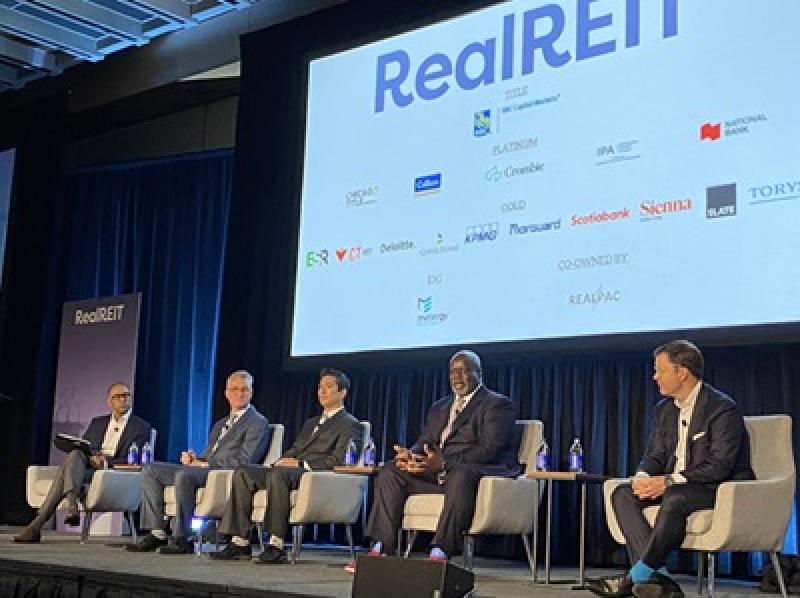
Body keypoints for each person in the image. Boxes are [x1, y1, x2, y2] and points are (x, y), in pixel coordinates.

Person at [587, 340, 754, 598]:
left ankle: (636, 576)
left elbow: (720, 466)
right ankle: (661, 580)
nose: (654, 377)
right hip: (678, 484)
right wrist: (642, 477)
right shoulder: (664, 410)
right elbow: (654, 455)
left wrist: (667, 481)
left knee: (675, 497)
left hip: (717, 487)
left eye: (660, 370)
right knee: (622, 494)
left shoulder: (721, 408)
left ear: (682, 372)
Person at [358, 349, 518, 570]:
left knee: (460, 474)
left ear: (478, 373)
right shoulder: (440, 406)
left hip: (472, 473)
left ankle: (441, 550)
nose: (457, 377)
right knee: (390, 470)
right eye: (453, 371)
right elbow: (424, 441)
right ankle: (382, 548)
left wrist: (444, 463)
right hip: (437, 474)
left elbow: (490, 450)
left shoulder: (496, 404)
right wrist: (411, 455)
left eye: (463, 371)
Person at [208, 367, 362, 564]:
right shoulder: (310, 423)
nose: (322, 392)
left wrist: (300, 463)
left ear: (343, 392)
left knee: (279, 474)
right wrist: (282, 459)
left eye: (328, 387)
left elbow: (340, 461)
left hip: (313, 475)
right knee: (244, 472)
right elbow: (295, 449)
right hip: (289, 471)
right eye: (320, 387)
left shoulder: (350, 424)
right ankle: (240, 541)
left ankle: (276, 543)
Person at [126, 369, 269, 555]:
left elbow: (246, 460)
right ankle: (157, 532)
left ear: (251, 392)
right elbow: (208, 454)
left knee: (184, 475)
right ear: (226, 394)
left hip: (224, 473)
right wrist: (196, 459)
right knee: (150, 469)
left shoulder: (257, 422)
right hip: (206, 469)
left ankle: (182, 537)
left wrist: (206, 465)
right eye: (235, 389)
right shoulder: (221, 423)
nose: (239, 394)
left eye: (244, 389)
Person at [13, 382, 151, 543]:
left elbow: (135, 460)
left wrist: (105, 462)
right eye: (117, 397)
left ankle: (38, 525)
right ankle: (70, 505)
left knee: (65, 472)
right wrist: (92, 457)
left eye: (126, 396)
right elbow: (85, 446)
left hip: (112, 473)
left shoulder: (141, 427)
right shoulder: (98, 422)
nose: (122, 400)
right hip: (87, 468)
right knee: (76, 452)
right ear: (110, 402)